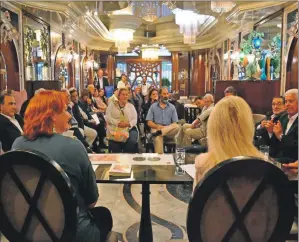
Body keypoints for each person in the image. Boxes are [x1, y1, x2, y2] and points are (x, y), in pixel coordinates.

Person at [12, 90, 113, 242]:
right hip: (70, 234)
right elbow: (91, 202)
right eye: (65, 110)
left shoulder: (17, 144)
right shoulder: (74, 147)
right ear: (51, 116)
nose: (69, 115)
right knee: (104, 215)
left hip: (30, 231)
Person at [193, 96, 264, 187]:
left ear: (213, 127)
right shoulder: (264, 165)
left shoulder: (202, 164)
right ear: (248, 125)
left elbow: (197, 199)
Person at [146, 87, 179, 154]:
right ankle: (161, 161)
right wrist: (157, 126)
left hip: (169, 132)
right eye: (164, 94)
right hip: (156, 128)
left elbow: (175, 123)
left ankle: (159, 132)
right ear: (159, 95)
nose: (166, 96)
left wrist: (165, 128)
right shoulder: (153, 106)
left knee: (177, 126)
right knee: (158, 138)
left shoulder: (172, 107)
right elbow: (149, 122)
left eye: (167, 94)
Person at [268, 89, 298, 162]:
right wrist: (271, 132)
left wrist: (281, 136)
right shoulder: (283, 117)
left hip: (293, 160)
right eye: (286, 102)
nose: (287, 104)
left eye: (290, 101)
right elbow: (275, 143)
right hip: (278, 157)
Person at [106, 88, 138, 153]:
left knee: (131, 142)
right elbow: (107, 117)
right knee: (116, 146)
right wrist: (118, 123)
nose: (125, 96)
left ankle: (127, 157)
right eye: (123, 94)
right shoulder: (112, 105)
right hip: (114, 128)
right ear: (119, 96)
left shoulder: (131, 106)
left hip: (129, 128)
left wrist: (128, 124)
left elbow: (135, 119)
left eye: (126, 94)